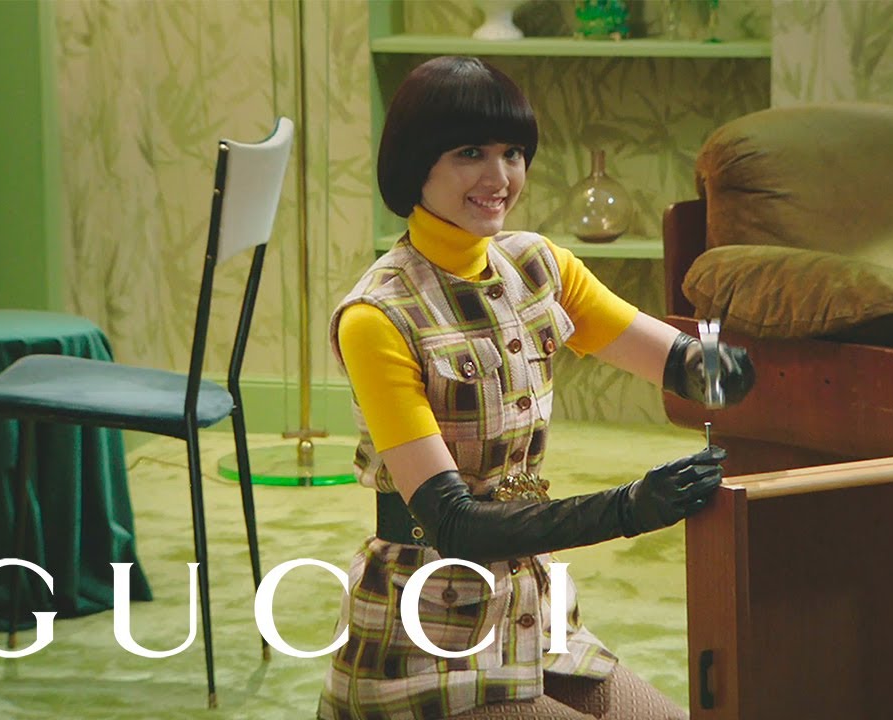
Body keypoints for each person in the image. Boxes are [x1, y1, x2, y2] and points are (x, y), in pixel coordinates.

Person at [320, 56, 755, 720]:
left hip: (534, 614)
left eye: (513, 153)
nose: (500, 178)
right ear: (415, 161)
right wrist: (630, 508)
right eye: (470, 153)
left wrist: (717, 366)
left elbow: (675, 361)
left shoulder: (537, 263)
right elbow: (453, 522)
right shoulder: (376, 317)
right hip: (423, 638)